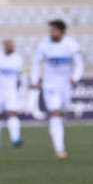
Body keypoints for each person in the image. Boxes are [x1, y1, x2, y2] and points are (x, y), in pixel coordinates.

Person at [30, 19, 83, 160]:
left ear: (62, 31)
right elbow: (36, 63)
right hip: (50, 85)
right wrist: (35, 80)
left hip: (66, 85)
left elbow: (79, 64)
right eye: (51, 30)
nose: (52, 33)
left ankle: (56, 130)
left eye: (55, 30)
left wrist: (75, 77)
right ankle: (60, 149)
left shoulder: (71, 45)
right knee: (55, 112)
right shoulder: (44, 44)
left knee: (61, 112)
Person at [0, 39, 24, 148]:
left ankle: (15, 138)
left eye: (13, 45)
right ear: (5, 46)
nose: (12, 47)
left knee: (12, 113)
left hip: (11, 91)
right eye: (10, 45)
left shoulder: (18, 59)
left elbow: (21, 73)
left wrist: (22, 85)